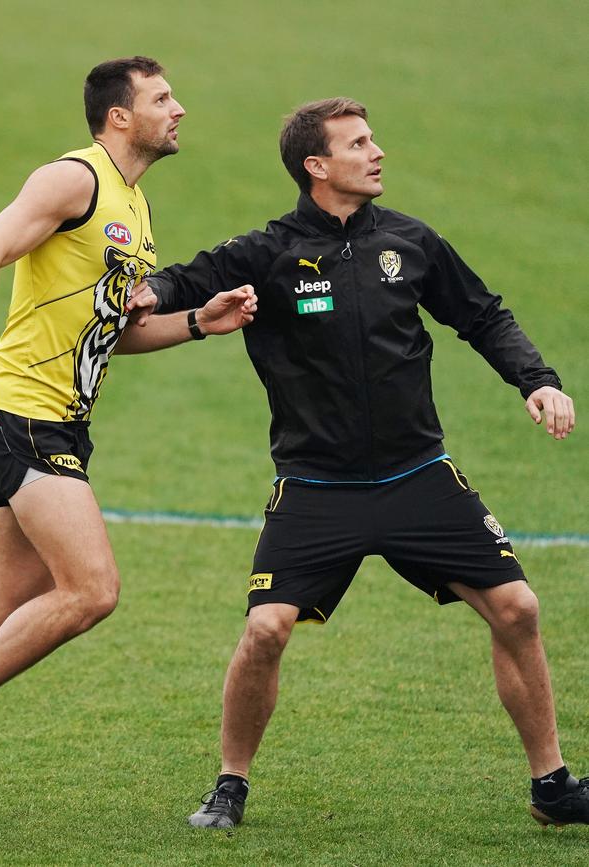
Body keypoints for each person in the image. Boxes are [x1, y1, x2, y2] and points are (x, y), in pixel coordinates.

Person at [121, 97, 584, 830]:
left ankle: (552, 783)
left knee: (518, 608)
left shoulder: (410, 241)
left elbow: (482, 314)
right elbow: (183, 279)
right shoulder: (267, 252)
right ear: (317, 165)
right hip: (316, 489)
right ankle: (230, 784)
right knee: (266, 628)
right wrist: (150, 292)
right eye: (360, 143)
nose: (378, 153)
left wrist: (539, 378)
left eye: (374, 140)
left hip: (418, 478)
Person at [0, 56, 256, 820]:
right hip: (18, 412)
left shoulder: (135, 210)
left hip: (62, 423)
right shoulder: (73, 180)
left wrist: (196, 324)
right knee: (91, 588)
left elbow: (112, 331)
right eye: (161, 97)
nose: (178, 108)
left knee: (17, 595)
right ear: (120, 115)